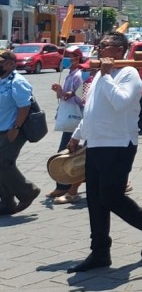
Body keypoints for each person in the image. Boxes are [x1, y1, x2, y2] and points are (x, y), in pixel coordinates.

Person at [66, 33, 142, 273]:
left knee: (111, 197)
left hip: (119, 144)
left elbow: (120, 102)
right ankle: (100, 252)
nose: (99, 49)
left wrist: (107, 76)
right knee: (96, 201)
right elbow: (93, 110)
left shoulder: (127, 73)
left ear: (119, 50)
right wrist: (78, 134)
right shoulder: (100, 74)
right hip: (97, 143)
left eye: (104, 46)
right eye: (99, 45)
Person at [0, 50, 39, 216]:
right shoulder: (1, 80)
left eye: (1, 62)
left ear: (10, 63)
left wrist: (15, 128)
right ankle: (7, 203)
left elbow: (25, 106)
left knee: (3, 163)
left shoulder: (17, 81)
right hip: (1, 128)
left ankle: (28, 191)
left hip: (14, 130)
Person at [49, 47, 85, 202]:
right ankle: (67, 186)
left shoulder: (78, 75)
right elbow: (64, 96)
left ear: (77, 58)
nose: (65, 59)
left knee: (65, 152)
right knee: (70, 151)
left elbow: (81, 97)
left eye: (69, 56)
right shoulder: (70, 74)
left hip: (76, 119)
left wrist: (71, 95)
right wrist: (60, 91)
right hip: (70, 120)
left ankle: (65, 187)